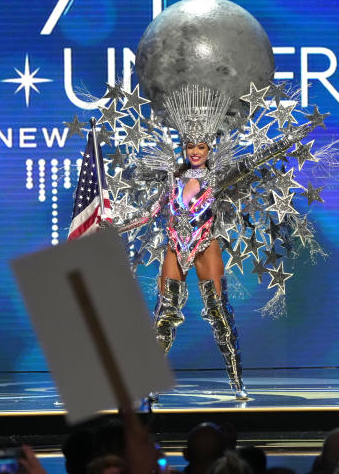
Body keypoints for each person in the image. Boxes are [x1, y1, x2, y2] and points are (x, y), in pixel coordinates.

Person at [112, 84, 323, 399]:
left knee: (219, 314)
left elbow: (255, 159)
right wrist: (113, 226)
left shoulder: (217, 178)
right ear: (184, 146)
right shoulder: (172, 179)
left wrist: (288, 140)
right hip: (174, 247)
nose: (195, 151)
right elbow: (148, 213)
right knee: (163, 315)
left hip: (204, 246)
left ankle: (237, 383)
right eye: (190, 145)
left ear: (209, 148)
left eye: (201, 146)